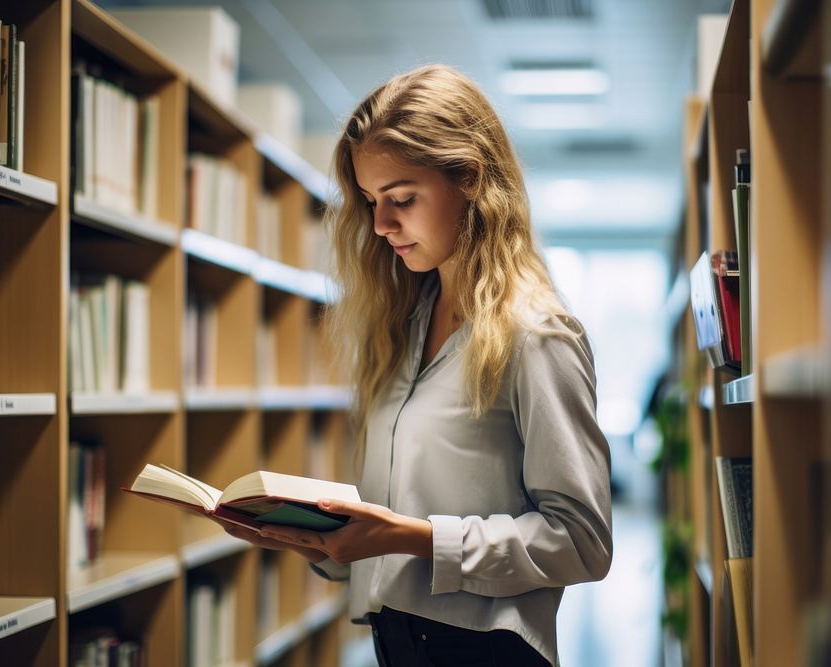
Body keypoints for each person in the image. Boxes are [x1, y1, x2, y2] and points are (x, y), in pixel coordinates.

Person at [224, 64, 613, 666]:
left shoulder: (535, 335)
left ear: (472, 180)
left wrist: (414, 537)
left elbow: (583, 542)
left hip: (485, 650)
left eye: (402, 198)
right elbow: (391, 527)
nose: (381, 225)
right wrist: (310, 535)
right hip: (397, 641)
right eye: (371, 201)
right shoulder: (405, 328)